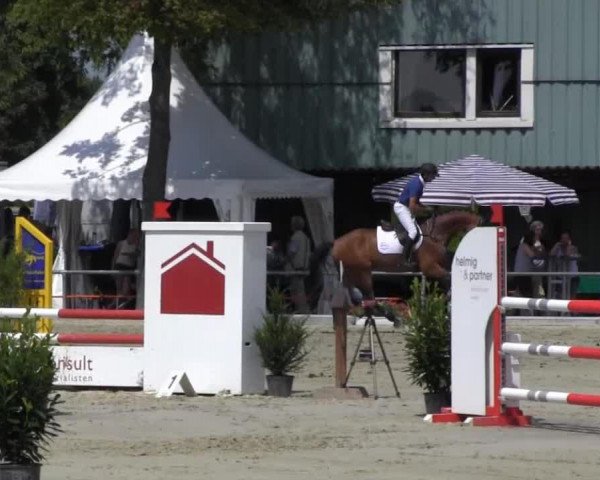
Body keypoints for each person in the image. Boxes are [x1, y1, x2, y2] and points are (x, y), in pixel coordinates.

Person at [393, 163, 438, 261]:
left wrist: (427, 208)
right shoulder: (417, 184)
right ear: (425, 175)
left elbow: (416, 202)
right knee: (413, 232)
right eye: (432, 175)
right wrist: (426, 210)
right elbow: (412, 206)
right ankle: (404, 260)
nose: (433, 178)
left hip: (406, 207)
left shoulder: (420, 183)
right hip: (401, 208)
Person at [286, 216, 311, 314]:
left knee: (296, 290)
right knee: (301, 290)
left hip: (296, 268)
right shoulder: (305, 237)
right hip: (304, 268)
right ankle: (302, 309)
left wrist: (286, 260)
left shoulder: (295, 237)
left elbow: (292, 252)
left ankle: (301, 310)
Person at [112, 228, 140, 308]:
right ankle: (116, 305)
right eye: (133, 235)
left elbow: (137, 254)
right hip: (120, 266)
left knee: (126, 290)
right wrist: (113, 268)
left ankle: (122, 304)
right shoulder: (121, 243)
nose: (134, 237)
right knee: (119, 288)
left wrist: (130, 254)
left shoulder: (136, 245)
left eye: (136, 236)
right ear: (129, 235)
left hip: (128, 267)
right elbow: (115, 256)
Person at [550, 230, 580, 298]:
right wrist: (556, 245)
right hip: (561, 276)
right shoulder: (558, 249)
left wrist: (568, 245)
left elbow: (567, 256)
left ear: (569, 239)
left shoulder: (573, 248)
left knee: (571, 296)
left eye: (566, 238)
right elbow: (551, 255)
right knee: (561, 296)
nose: (564, 240)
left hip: (572, 276)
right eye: (563, 238)